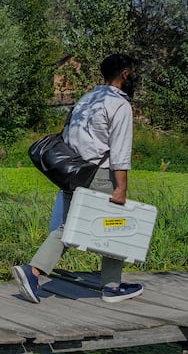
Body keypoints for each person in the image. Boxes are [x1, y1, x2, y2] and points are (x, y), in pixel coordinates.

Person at [13, 53, 145, 305]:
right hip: (100, 175)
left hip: (73, 173)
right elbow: (120, 151)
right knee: (116, 225)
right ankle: (111, 287)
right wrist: (121, 188)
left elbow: (70, 137)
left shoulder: (87, 99)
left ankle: (34, 271)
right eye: (133, 72)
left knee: (68, 227)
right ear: (125, 74)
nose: (135, 77)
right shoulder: (119, 104)